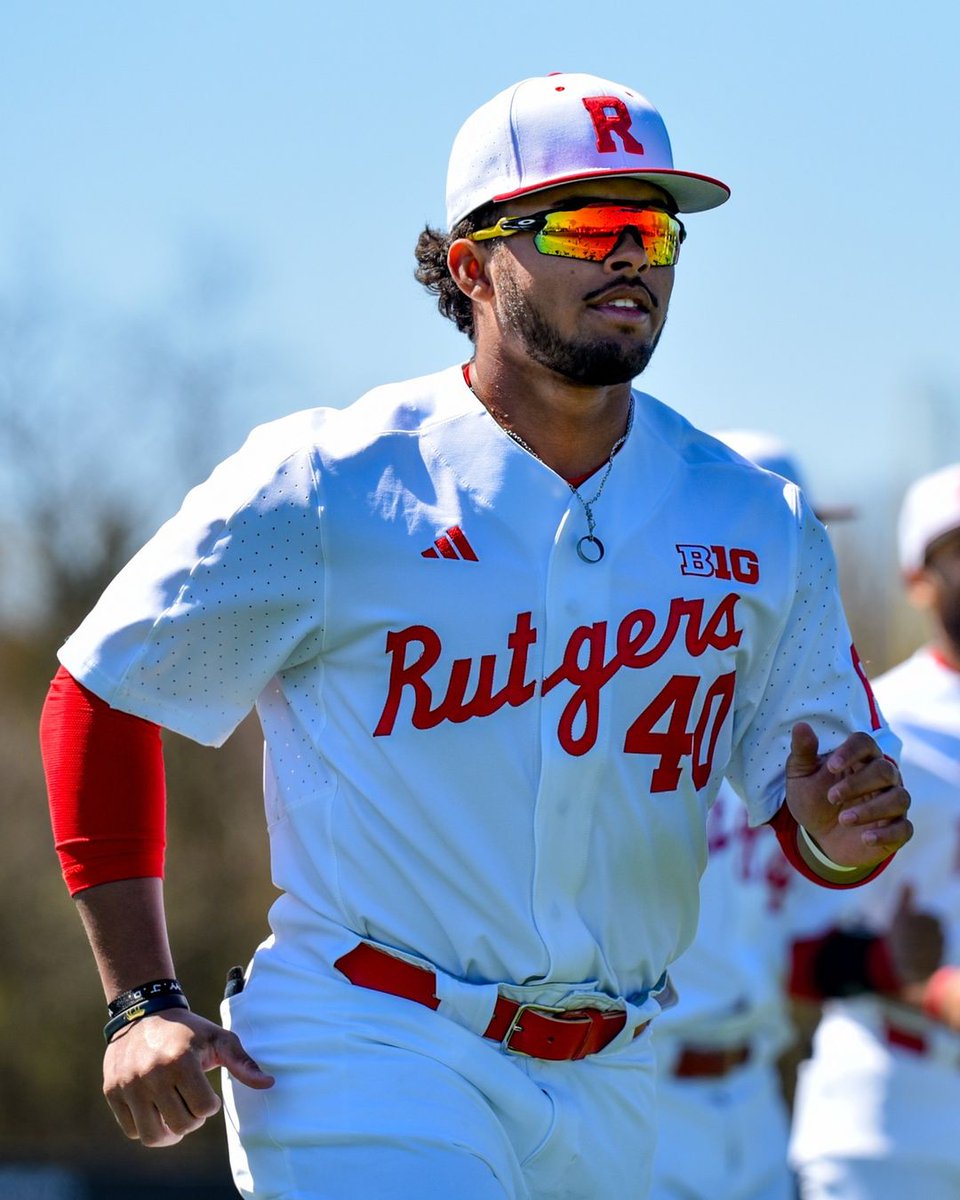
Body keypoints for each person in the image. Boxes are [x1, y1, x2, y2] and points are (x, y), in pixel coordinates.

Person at [39, 72, 912, 1200]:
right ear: (471, 264)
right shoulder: (328, 482)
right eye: (589, 224)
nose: (632, 255)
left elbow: (820, 825)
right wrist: (140, 1002)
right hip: (366, 1038)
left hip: (614, 1076)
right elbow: (103, 690)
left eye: (654, 226)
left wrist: (846, 828)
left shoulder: (752, 516)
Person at [647, 431, 854, 1200]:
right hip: (641, 1085)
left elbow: (794, 941)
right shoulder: (644, 722)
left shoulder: (816, 738)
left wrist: (881, 966)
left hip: (755, 1098)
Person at [789, 463, 960, 1200]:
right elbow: (799, 935)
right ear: (917, 578)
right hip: (889, 1119)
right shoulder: (875, 727)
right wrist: (914, 978)